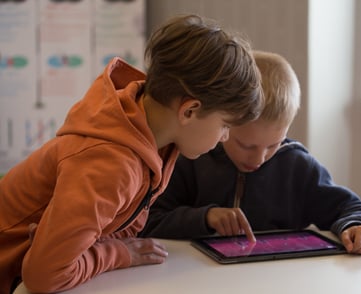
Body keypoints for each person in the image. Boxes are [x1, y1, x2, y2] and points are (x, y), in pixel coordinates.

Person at [0, 14, 263, 294]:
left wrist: (109, 248)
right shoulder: (110, 164)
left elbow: (119, 224)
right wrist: (120, 254)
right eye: (225, 126)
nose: (224, 137)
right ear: (189, 111)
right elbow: (45, 276)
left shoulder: (155, 137)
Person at [141, 50, 361, 255]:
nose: (258, 159)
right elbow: (148, 221)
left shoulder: (297, 167)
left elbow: (355, 209)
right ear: (223, 124)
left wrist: (357, 226)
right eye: (246, 145)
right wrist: (206, 218)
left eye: (272, 145)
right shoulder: (192, 157)